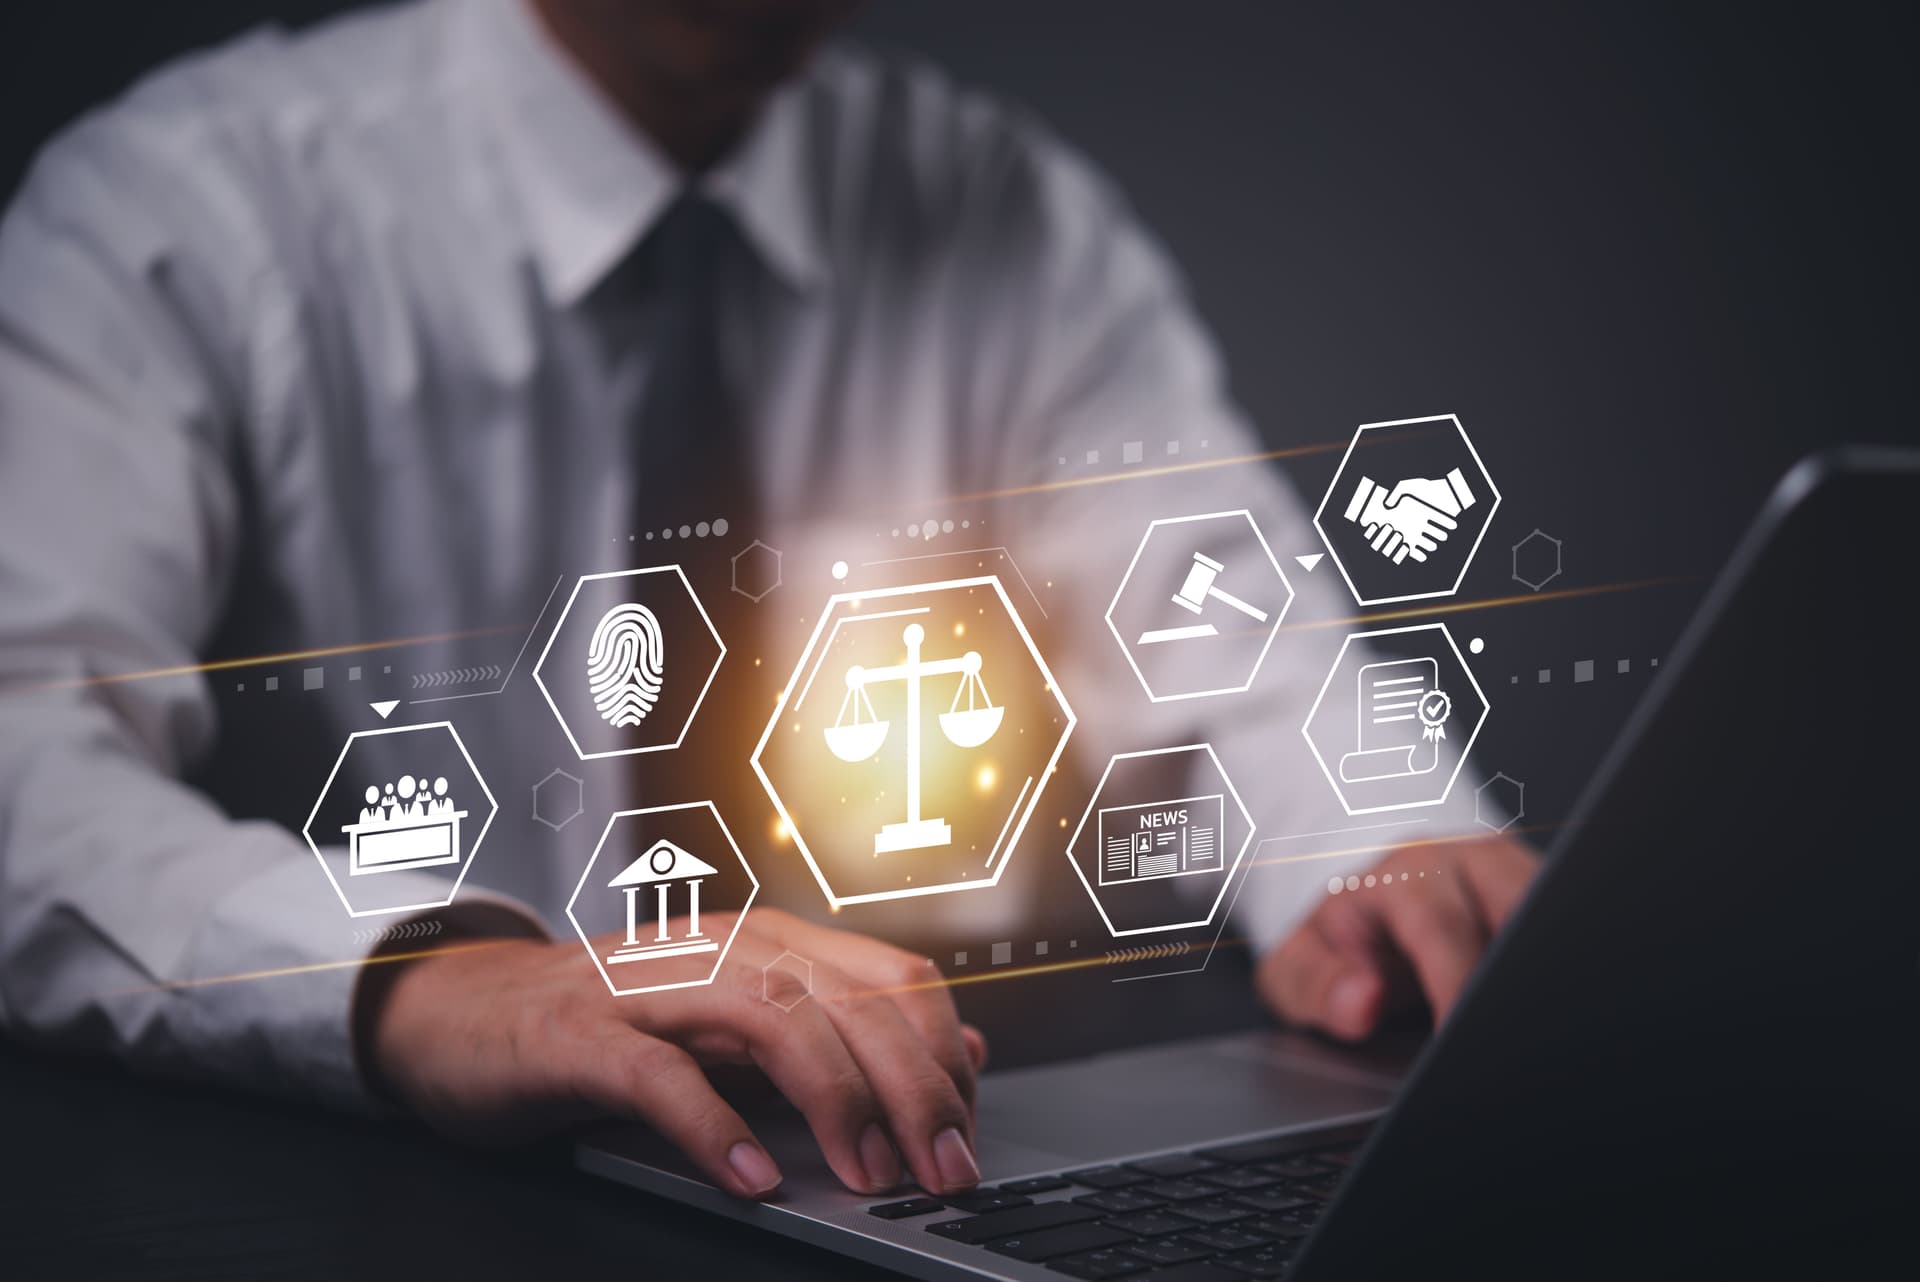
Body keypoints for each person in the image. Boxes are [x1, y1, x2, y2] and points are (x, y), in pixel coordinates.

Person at [0, 0, 1535, 1202]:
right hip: (363, 1204)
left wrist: (1375, 846)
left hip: (862, 1165)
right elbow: (24, 749)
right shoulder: (187, 214)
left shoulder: (1001, 211)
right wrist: (423, 979)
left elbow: (1229, 634)